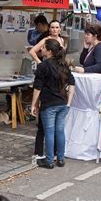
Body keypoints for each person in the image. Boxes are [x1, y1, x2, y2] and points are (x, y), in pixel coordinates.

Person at [31, 39, 75, 169]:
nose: (41, 50)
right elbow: (72, 83)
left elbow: (37, 88)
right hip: (62, 103)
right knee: (60, 131)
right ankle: (60, 159)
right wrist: (69, 102)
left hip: (49, 104)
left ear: (49, 51)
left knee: (49, 132)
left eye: (43, 48)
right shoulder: (64, 65)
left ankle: (49, 160)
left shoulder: (43, 66)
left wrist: (33, 104)